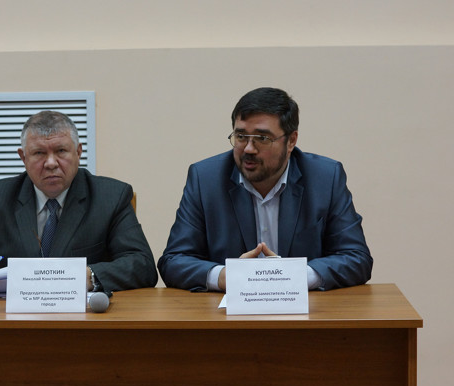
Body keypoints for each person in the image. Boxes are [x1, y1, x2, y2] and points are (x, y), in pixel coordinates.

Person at [158, 87, 372, 292]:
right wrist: (225, 276)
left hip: (305, 313)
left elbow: (357, 258)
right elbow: (174, 260)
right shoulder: (205, 179)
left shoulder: (325, 178)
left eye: (262, 138)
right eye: (241, 136)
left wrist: (293, 276)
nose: (249, 149)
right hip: (226, 313)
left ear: (291, 141)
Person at [0, 111, 158, 292]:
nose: (50, 163)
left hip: (86, 321)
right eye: (39, 153)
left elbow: (143, 265)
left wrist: (88, 276)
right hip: (14, 322)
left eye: (61, 151)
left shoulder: (110, 196)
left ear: (78, 153)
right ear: (23, 157)